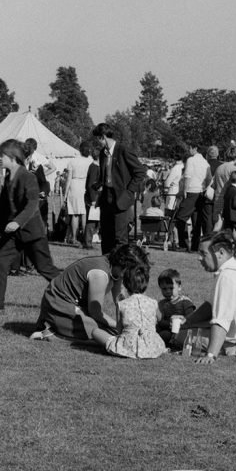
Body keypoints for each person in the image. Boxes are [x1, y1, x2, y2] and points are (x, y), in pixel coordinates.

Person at [0, 139, 59, 314]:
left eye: (2, 155)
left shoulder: (27, 176)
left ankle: (75, 292)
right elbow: (4, 207)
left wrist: (17, 222)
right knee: (0, 263)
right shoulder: (8, 177)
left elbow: (32, 204)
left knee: (45, 268)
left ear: (12, 157)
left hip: (31, 231)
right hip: (13, 233)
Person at [176, 231, 236, 364]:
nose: (199, 258)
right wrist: (188, 321)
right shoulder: (235, 268)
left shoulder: (227, 276)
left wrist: (211, 355)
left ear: (220, 253)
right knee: (186, 329)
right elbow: (210, 306)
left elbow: (221, 321)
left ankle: (229, 348)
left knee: (179, 335)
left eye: (203, 253)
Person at [31, 243, 148, 341]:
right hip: (58, 304)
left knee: (112, 332)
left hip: (75, 305)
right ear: (125, 266)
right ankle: (51, 333)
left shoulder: (115, 269)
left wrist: (133, 321)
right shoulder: (100, 274)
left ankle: (56, 328)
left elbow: (120, 301)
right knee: (99, 335)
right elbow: (95, 313)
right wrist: (119, 326)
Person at [77, 261, 166, 359]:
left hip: (128, 347)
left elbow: (119, 329)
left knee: (95, 332)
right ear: (146, 283)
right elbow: (159, 318)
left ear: (125, 284)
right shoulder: (153, 302)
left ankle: (121, 348)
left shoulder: (122, 304)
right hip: (153, 346)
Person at [92, 122, 146, 255]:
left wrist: (129, 191)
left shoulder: (123, 150)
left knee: (120, 237)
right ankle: (106, 265)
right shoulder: (103, 154)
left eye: (97, 139)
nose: (97, 143)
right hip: (106, 198)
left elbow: (140, 172)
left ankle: (121, 267)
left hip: (121, 198)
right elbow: (106, 174)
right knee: (106, 235)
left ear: (103, 137)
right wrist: (98, 184)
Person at [174, 143, 211, 252]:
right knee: (197, 221)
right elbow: (209, 178)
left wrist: (184, 190)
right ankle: (195, 246)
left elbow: (188, 176)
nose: (189, 149)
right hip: (201, 192)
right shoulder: (205, 162)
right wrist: (204, 188)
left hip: (191, 191)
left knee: (180, 218)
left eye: (190, 147)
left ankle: (183, 244)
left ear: (195, 148)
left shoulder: (191, 160)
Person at [62, 139, 97, 247]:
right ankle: (85, 236)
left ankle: (73, 237)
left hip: (74, 185)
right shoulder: (91, 161)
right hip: (86, 185)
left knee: (74, 214)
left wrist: (65, 193)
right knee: (84, 213)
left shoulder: (73, 161)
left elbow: (68, 179)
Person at [154, 268, 196, 346]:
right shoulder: (162, 303)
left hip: (183, 330)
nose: (168, 291)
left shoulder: (185, 302)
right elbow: (161, 322)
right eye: (164, 289)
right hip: (168, 330)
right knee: (158, 331)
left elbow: (191, 318)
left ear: (179, 287)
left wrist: (182, 321)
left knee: (166, 335)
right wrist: (168, 324)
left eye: (171, 288)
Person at [220, 170, 236, 257]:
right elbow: (235, 204)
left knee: (228, 233)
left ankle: (226, 250)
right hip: (235, 216)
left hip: (227, 214)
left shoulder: (228, 189)